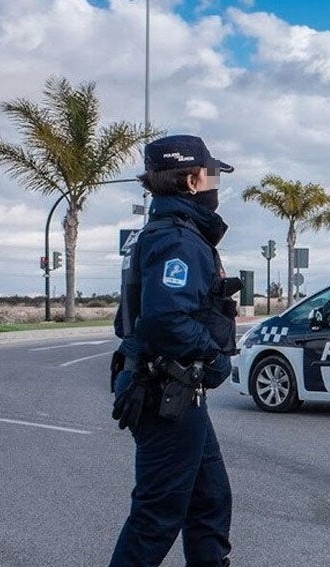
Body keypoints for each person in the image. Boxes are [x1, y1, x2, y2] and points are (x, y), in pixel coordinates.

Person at [109, 134, 239, 567]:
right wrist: (215, 355)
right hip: (165, 389)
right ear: (191, 180)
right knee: (156, 517)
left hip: (176, 391)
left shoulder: (173, 233)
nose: (216, 183)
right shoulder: (178, 240)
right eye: (212, 174)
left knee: (209, 500)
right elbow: (166, 319)